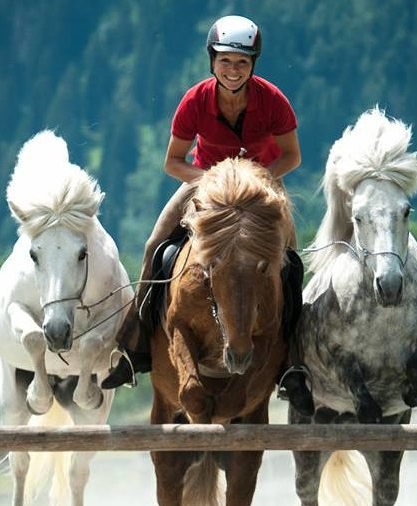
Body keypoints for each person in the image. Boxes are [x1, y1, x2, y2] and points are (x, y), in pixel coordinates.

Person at [102, 14, 314, 416]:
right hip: (205, 186)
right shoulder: (195, 101)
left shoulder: (272, 100)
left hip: (260, 191)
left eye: (241, 63)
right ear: (211, 61)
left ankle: (292, 364)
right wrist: (213, 179)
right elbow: (172, 162)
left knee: (288, 264)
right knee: (155, 246)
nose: (233, 70)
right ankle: (133, 347)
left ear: (253, 65)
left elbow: (293, 155)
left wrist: (256, 181)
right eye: (225, 61)